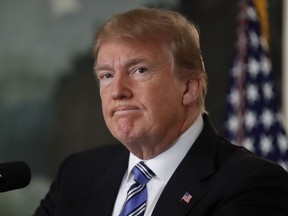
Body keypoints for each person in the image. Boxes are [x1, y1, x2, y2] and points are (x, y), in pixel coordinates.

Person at [34, 7, 288, 216]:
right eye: (107, 75)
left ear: (188, 87)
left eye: (139, 71)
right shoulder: (77, 174)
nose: (117, 91)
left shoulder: (251, 183)